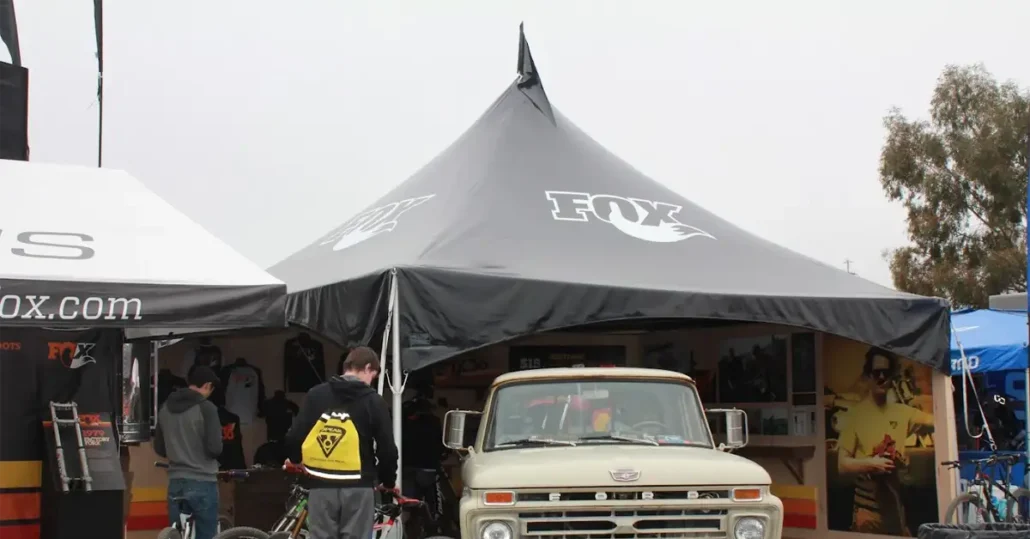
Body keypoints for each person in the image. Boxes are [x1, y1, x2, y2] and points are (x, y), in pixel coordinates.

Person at [285, 346, 398, 539]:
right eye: (374, 375)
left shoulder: (316, 395)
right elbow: (387, 450)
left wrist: (295, 460)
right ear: (368, 367)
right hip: (358, 488)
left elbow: (294, 436)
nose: (372, 382)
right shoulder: (374, 401)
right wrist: (387, 481)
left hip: (321, 486)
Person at [836, 347, 934, 536]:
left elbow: (937, 421)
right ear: (868, 376)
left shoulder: (903, 412)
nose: (881, 377)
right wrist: (871, 464)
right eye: (876, 372)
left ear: (892, 376)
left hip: (896, 508)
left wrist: (945, 391)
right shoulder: (856, 415)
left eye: (886, 372)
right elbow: (842, 465)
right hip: (867, 511)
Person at [153, 366, 223, 539]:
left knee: (177, 534)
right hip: (203, 481)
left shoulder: (165, 408)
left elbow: (159, 448)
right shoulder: (207, 408)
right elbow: (215, 448)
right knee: (206, 534)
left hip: (175, 482)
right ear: (207, 385)